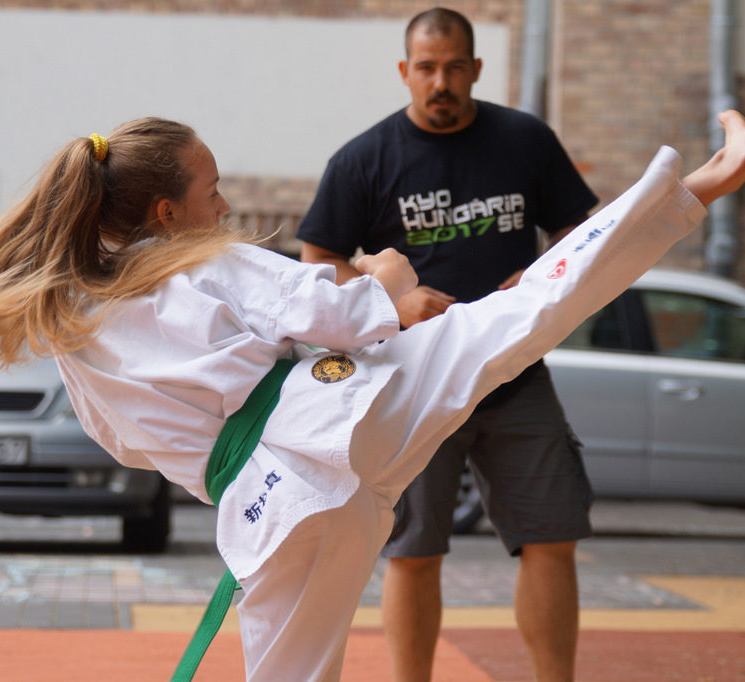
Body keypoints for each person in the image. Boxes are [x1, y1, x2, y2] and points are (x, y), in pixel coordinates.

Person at [0, 112, 745, 682]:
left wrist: (244, 443)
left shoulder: (75, 329)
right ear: (167, 212)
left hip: (263, 507)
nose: (225, 204)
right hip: (341, 420)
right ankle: (706, 179)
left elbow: (130, 445)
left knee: (288, 675)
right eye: (213, 190)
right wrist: (386, 276)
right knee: (526, 310)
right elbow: (345, 315)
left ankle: (704, 180)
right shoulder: (202, 259)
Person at [295, 8, 600, 680]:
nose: (441, 82)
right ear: (405, 72)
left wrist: (544, 273)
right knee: (413, 550)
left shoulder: (524, 140)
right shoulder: (364, 159)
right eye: (427, 69)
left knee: (552, 538)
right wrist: (392, 302)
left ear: (476, 69)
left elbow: (581, 233)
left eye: (455, 67)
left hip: (515, 373)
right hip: (414, 383)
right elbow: (319, 261)